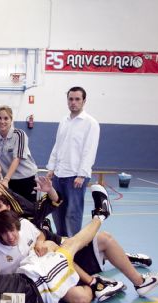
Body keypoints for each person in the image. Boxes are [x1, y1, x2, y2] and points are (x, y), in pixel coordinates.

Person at [0, 208, 158, 301]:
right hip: (44, 281)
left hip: (59, 258)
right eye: (4, 233)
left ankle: (139, 282)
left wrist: (40, 241)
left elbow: (43, 235)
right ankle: (97, 283)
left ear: (18, 226)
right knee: (81, 298)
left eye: (13, 231)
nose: (11, 236)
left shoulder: (25, 225)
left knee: (104, 239)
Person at [46, 87, 100, 237]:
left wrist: (82, 175)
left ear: (84, 101)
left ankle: (73, 246)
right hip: (59, 174)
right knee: (57, 210)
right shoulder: (64, 121)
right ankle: (62, 241)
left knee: (73, 213)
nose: (73, 102)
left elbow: (89, 151)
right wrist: (51, 168)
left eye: (77, 99)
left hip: (76, 176)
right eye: (71, 99)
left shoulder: (91, 123)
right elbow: (58, 145)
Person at [0, 106, 38, 202]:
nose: (2, 121)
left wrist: (6, 179)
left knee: (29, 211)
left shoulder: (19, 134)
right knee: (13, 211)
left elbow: (17, 158)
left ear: (11, 120)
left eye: (6, 118)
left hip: (27, 179)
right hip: (10, 181)